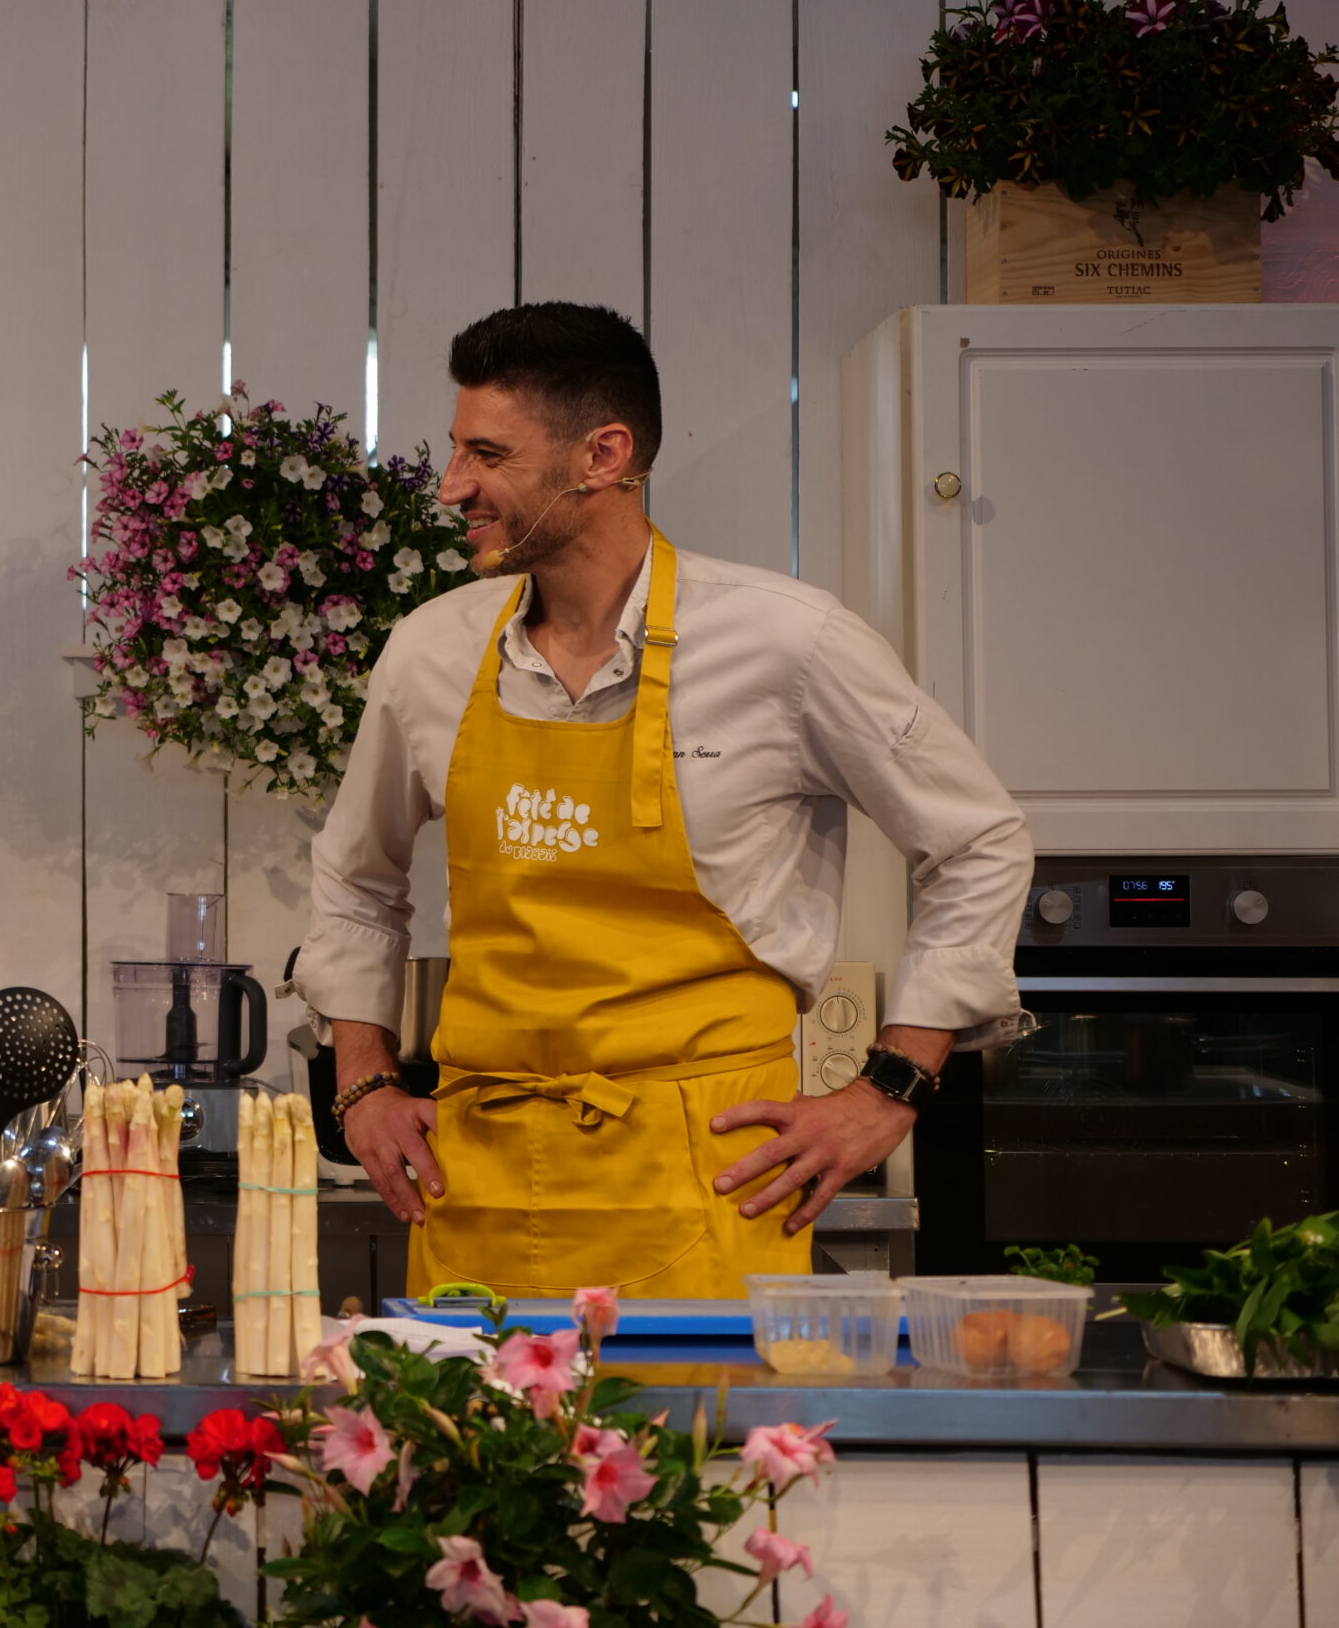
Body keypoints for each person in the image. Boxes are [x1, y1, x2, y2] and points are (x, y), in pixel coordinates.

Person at [296, 302, 1033, 1298]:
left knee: (694, 1408)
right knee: (472, 1408)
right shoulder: (432, 650)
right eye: (456, 449)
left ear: (602, 455)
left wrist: (890, 1088)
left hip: (712, 1177)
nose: (452, 484)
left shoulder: (788, 642)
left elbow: (979, 842)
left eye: (487, 454)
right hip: (477, 1176)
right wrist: (363, 1082)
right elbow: (355, 875)